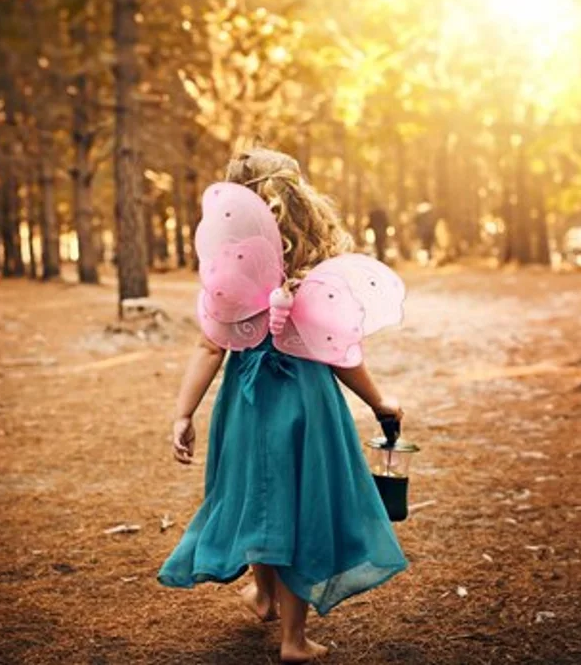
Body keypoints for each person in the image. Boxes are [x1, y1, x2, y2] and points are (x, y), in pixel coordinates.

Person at [158, 148, 408, 663]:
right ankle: (293, 638)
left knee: (259, 495)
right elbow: (341, 355)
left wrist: (184, 413)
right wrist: (380, 401)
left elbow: (209, 347)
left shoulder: (228, 276)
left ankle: (262, 591)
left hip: (246, 406)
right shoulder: (318, 272)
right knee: (300, 507)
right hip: (307, 406)